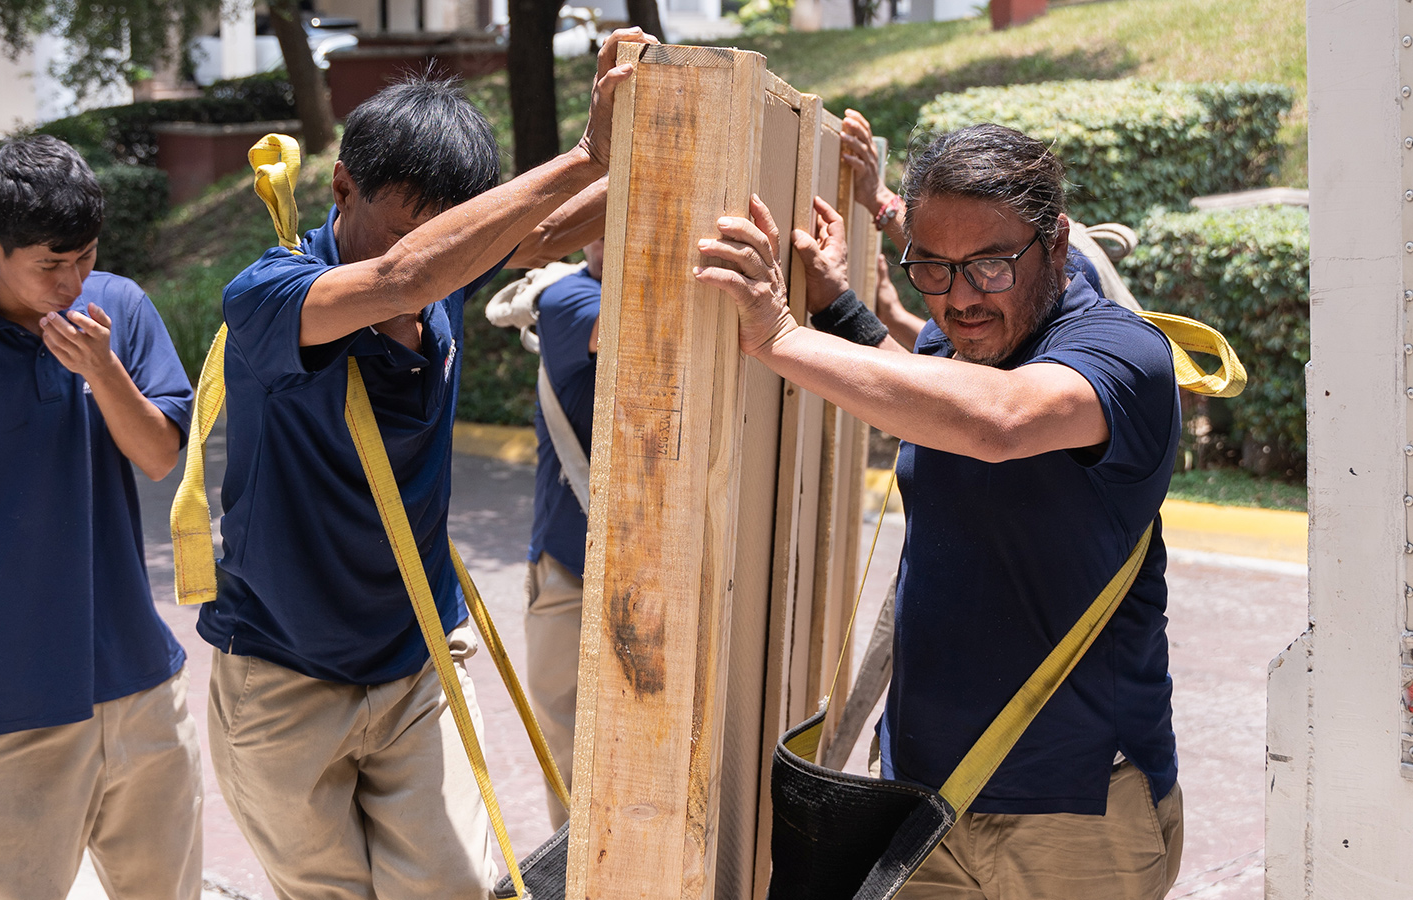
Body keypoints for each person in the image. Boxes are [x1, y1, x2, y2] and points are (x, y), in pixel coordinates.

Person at [197, 31, 652, 900]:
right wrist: (587, 151)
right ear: (342, 187)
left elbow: (522, 235)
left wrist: (663, 160)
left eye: (454, 238)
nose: (445, 261)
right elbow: (408, 275)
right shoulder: (270, 294)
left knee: (455, 888)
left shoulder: (435, 264)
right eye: (412, 227)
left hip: (414, 666)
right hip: (283, 677)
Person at [696, 123, 1184, 900]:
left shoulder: (1121, 355)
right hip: (923, 797)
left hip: (1075, 810)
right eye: (932, 266)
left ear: (1055, 244)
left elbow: (1000, 422)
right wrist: (836, 302)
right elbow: (926, 400)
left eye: (989, 266)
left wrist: (779, 335)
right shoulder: (960, 352)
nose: (958, 298)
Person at [0, 135, 201, 900]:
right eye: (50, 264)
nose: (73, 281)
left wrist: (103, 370)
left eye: (86, 257)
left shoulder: (121, 311)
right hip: (5, 700)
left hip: (139, 684)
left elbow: (161, 456)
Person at [524, 237, 603, 829]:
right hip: (569, 571)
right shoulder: (568, 297)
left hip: (653, 570)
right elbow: (641, 321)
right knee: (571, 750)